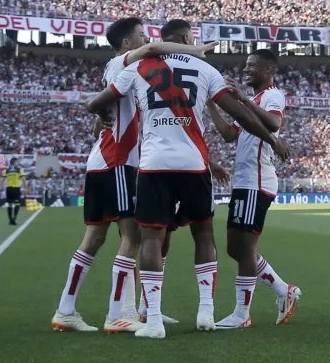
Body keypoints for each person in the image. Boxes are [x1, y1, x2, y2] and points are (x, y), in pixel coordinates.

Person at [86, 19, 290, 339]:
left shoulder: (140, 66)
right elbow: (237, 116)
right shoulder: (205, 70)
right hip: (194, 164)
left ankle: (152, 320)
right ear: (184, 38)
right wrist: (272, 138)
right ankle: (205, 312)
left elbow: (96, 102)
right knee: (204, 235)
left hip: (154, 165)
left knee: (152, 239)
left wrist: (101, 114)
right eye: (192, 37)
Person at [51, 17, 218, 334]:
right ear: (127, 43)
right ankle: (118, 314)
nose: (147, 41)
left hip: (105, 157)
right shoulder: (124, 63)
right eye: (141, 36)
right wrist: (195, 50)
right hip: (119, 159)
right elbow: (155, 48)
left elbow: (100, 115)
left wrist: (104, 120)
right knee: (133, 237)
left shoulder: (118, 71)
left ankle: (69, 309)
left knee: (97, 237)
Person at [205, 48, 301, 329]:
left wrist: (242, 99)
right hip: (245, 181)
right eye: (245, 65)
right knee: (236, 248)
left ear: (268, 70)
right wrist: (212, 103)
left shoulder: (272, 95)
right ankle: (285, 290)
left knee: (245, 248)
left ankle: (241, 313)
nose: (246, 70)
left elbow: (273, 123)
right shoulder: (254, 101)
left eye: (252, 66)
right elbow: (228, 134)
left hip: (257, 180)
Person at [2, 158, 25, 226]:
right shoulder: (19, 170)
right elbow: (23, 179)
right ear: (14, 162)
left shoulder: (6, 170)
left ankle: (10, 220)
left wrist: (2, 187)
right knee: (17, 204)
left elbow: (2, 180)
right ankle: (14, 218)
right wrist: (25, 188)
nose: (18, 163)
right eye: (17, 162)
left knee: (9, 204)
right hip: (16, 188)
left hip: (8, 188)